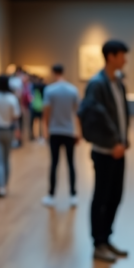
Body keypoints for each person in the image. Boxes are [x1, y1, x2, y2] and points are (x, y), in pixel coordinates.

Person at [78, 40, 131, 263]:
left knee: (115, 196)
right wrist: (112, 142)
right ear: (111, 56)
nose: (125, 60)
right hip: (104, 151)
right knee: (101, 197)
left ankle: (106, 238)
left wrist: (123, 140)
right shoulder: (97, 84)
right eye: (122, 55)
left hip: (118, 149)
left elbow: (120, 115)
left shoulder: (117, 83)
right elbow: (91, 117)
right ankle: (98, 243)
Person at [42, 64, 80, 207]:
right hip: (69, 132)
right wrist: (78, 132)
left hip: (55, 132)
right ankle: (73, 195)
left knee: (54, 164)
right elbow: (77, 113)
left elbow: (46, 113)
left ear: (53, 72)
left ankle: (51, 195)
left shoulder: (49, 90)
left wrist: (45, 130)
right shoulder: (73, 90)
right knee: (71, 163)